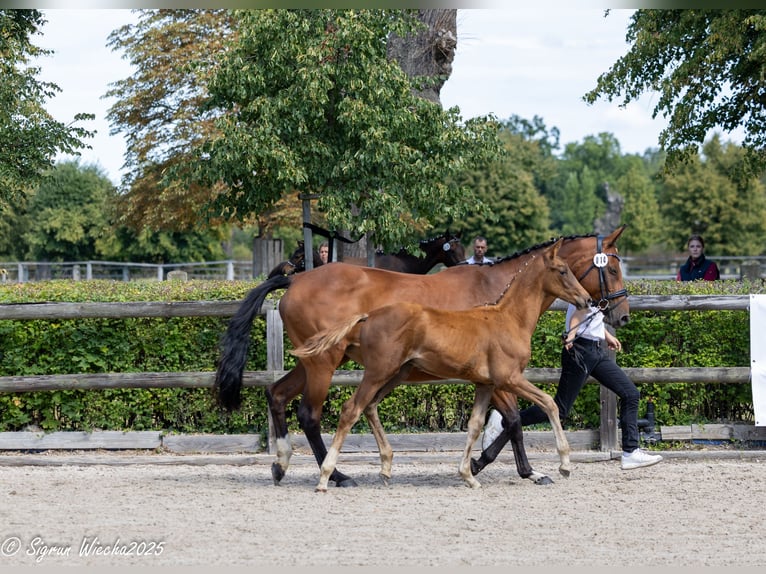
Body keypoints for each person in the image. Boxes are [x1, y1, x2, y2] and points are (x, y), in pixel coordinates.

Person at [483, 302, 663, 470]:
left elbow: (592, 316)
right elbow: (578, 315)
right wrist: (570, 338)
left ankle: (630, 452)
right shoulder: (589, 284)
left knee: (630, 394)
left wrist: (605, 335)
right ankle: (504, 419)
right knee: (560, 409)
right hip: (581, 350)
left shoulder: (598, 283)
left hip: (596, 351)